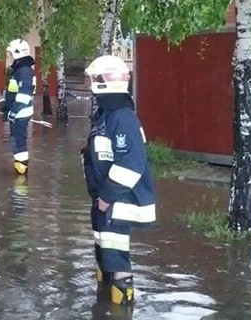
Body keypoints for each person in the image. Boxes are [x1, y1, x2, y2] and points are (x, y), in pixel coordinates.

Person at [80, 55, 156, 306]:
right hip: (105, 200)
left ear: (102, 81)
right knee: (106, 254)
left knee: (117, 259)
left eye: (92, 78)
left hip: (117, 200)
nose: (89, 83)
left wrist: (107, 195)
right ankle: (104, 305)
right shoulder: (107, 114)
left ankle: (121, 308)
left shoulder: (122, 117)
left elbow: (131, 163)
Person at [0, 39, 36, 175]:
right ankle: (20, 168)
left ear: (17, 53)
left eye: (10, 54)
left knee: (19, 141)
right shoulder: (20, 71)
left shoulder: (24, 72)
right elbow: (14, 91)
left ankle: (21, 171)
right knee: (16, 139)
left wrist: (13, 112)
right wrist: (6, 104)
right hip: (18, 112)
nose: (8, 57)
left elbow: (24, 96)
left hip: (20, 113)